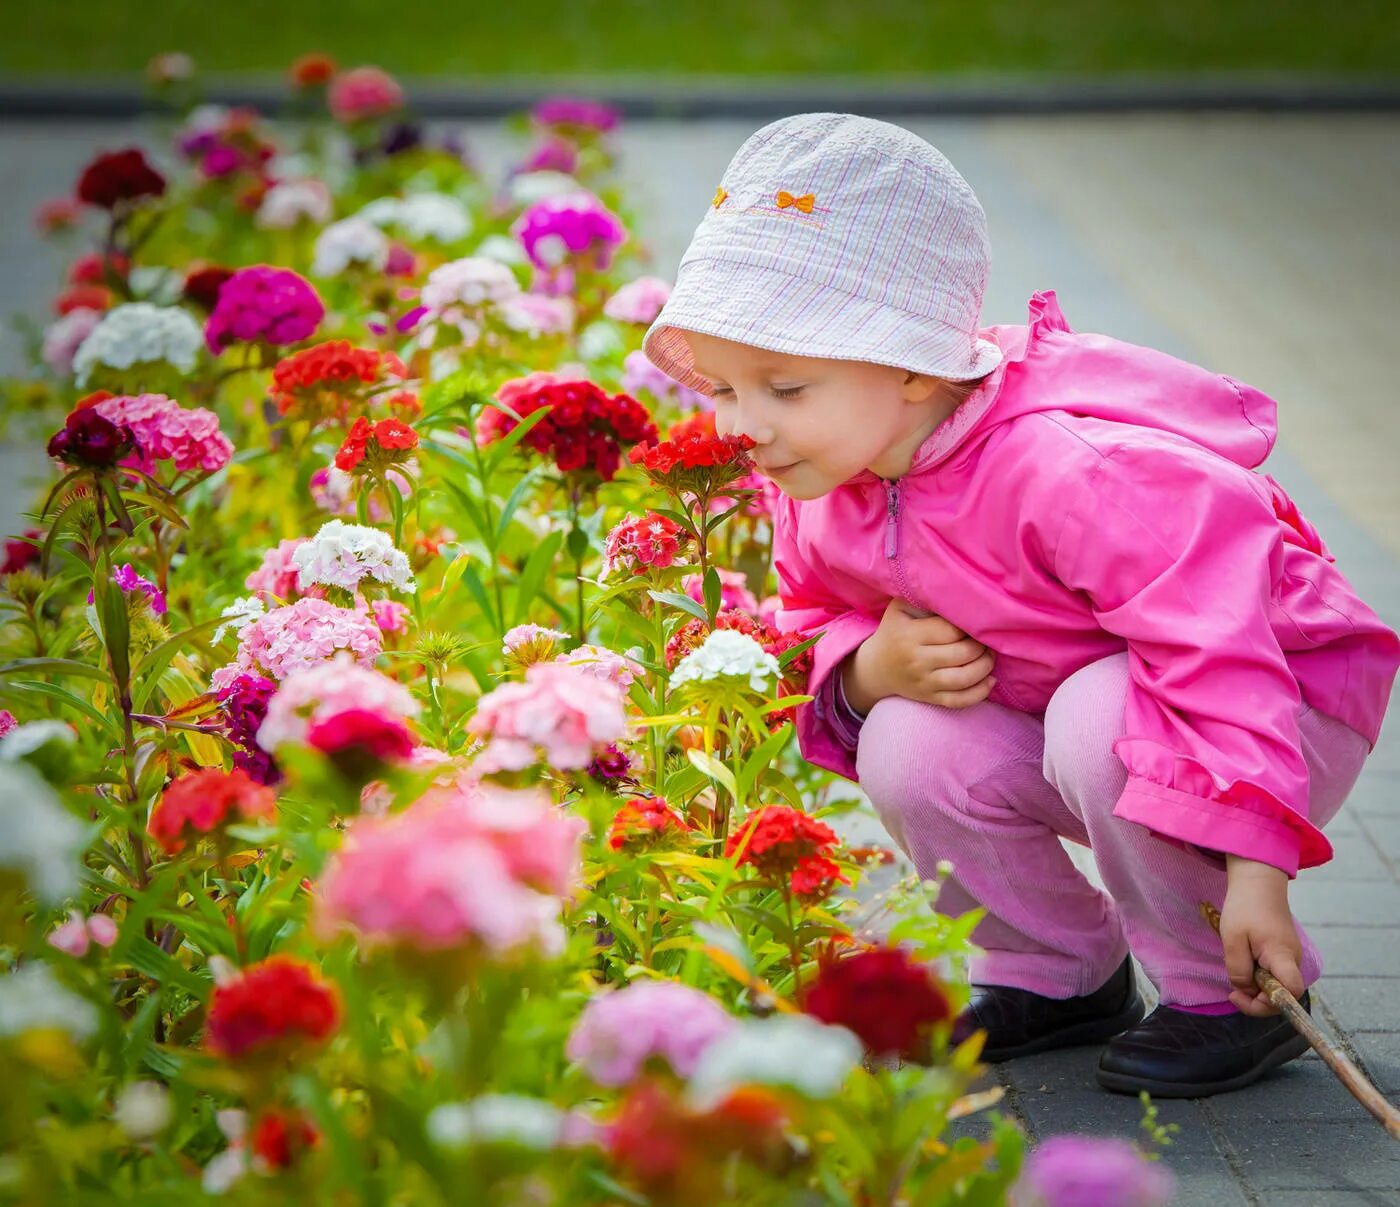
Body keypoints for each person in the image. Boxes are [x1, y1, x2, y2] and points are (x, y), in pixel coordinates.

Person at [639, 112, 1400, 1097]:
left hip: (1270, 707)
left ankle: (1223, 988)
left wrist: (1256, 868)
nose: (742, 425)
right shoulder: (829, 481)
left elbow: (1218, 652)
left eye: (781, 386)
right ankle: (1054, 973)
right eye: (725, 388)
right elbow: (812, 612)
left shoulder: (1071, 470)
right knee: (906, 735)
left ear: (912, 367)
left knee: (1097, 710)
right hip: (1076, 715)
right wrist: (866, 670)